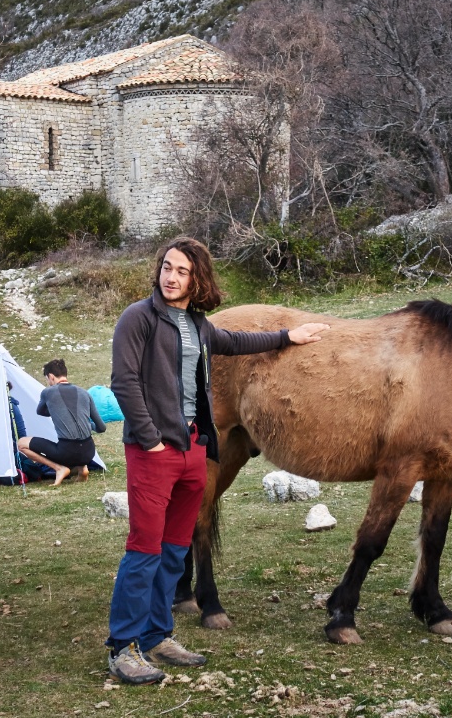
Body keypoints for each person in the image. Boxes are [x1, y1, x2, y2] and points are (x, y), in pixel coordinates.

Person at [106, 236, 329, 685]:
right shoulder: (138, 318)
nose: (171, 277)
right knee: (144, 550)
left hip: (194, 449)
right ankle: (122, 647)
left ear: (197, 279)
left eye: (182, 271)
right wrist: (149, 439)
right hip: (154, 452)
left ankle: (157, 634)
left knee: (173, 549)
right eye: (167, 268)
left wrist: (289, 335)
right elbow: (124, 382)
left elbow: (235, 340)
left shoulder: (196, 323)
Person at [17, 359, 106, 486]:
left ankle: (59, 468)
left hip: (67, 453)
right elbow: (102, 427)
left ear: (51, 377)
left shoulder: (48, 392)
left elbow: (41, 412)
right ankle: (82, 469)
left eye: (47, 379)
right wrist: (89, 425)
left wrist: (56, 409)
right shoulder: (84, 393)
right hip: (89, 453)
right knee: (79, 442)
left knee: (22, 444)